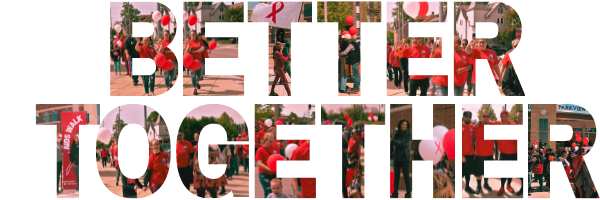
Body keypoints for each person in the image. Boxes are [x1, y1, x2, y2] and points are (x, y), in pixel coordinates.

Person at [391, 120, 412, 199]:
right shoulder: (396, 134)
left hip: (405, 158)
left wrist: (393, 141)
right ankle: (395, 193)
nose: (404, 126)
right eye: (402, 124)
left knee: (406, 176)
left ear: (407, 126)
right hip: (397, 158)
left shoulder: (409, 134)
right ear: (400, 125)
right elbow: (394, 145)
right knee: (396, 177)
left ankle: (408, 194)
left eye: (405, 124)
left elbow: (404, 144)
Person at [256, 132, 279, 198]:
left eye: (273, 141)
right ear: (265, 140)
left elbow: (279, 159)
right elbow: (259, 162)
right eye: (270, 141)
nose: (271, 143)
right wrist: (268, 168)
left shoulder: (275, 148)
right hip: (264, 174)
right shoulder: (260, 150)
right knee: (268, 191)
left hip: (275, 173)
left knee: (277, 192)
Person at [185, 30, 207, 95]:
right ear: (190, 35)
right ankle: (195, 88)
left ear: (196, 35)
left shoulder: (199, 41)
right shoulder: (188, 41)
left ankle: (197, 82)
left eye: (194, 34)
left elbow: (203, 48)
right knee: (193, 75)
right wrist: (188, 43)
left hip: (200, 60)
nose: (193, 36)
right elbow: (188, 51)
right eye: (192, 35)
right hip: (191, 61)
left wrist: (195, 52)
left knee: (200, 75)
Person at [461, 111, 477, 194]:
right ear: (463, 117)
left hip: (470, 155)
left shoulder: (472, 127)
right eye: (466, 116)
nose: (468, 118)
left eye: (470, 116)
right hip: (462, 155)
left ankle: (467, 187)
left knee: (468, 173)